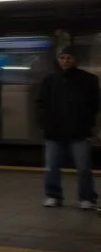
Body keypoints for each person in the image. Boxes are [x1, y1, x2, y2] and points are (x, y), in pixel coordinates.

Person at [37, 48, 100, 209]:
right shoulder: (49, 80)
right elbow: (41, 103)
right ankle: (53, 195)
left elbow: (95, 104)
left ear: (75, 59)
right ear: (58, 59)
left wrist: (90, 125)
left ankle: (86, 197)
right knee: (51, 167)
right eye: (62, 57)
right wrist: (44, 123)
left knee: (83, 168)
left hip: (79, 131)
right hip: (54, 131)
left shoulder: (89, 80)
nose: (65, 61)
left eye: (68, 57)